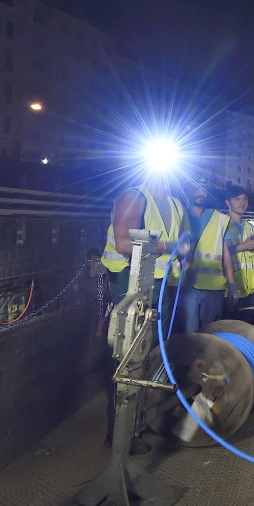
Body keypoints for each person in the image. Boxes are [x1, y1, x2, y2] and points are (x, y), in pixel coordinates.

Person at [100, 177, 185, 452]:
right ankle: (118, 434)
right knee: (127, 355)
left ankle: (139, 423)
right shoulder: (134, 197)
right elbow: (124, 243)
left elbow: (184, 242)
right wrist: (167, 247)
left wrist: (184, 256)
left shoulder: (176, 205)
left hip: (159, 284)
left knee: (150, 354)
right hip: (130, 280)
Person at [179, 180, 234, 333]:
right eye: (196, 189)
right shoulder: (178, 215)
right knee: (189, 333)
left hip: (213, 287)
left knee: (210, 333)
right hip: (187, 285)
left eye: (204, 190)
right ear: (188, 191)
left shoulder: (219, 219)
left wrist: (232, 284)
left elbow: (226, 254)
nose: (201, 193)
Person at [224, 185, 254, 310]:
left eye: (245, 199)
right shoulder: (222, 225)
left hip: (249, 287)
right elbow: (220, 254)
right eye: (237, 199)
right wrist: (243, 246)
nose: (242, 203)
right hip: (229, 288)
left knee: (245, 326)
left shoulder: (250, 228)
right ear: (228, 202)